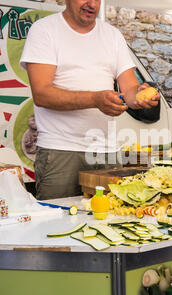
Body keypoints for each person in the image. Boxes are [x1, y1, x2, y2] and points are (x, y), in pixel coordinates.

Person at [20, 0, 160, 200]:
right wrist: (95, 99)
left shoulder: (112, 35)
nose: (91, 4)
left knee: (111, 222)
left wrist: (139, 96)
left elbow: (128, 89)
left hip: (107, 151)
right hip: (60, 150)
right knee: (59, 222)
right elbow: (42, 94)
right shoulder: (45, 30)